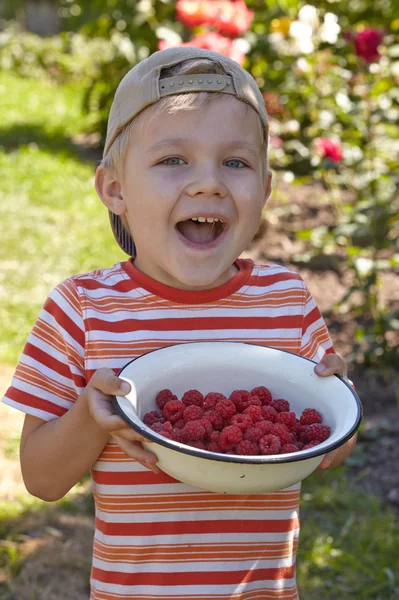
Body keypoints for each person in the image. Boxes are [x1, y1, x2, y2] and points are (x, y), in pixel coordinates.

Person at [2, 46, 357, 599]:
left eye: (236, 163)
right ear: (114, 190)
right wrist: (91, 420)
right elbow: (42, 480)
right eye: (174, 160)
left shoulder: (286, 301)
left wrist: (338, 410)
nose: (209, 183)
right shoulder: (84, 309)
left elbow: (328, 451)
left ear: (264, 190)